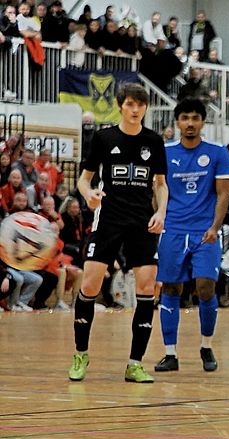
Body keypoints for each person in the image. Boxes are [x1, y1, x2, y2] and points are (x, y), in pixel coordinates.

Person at [67, 84, 168, 384]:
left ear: (146, 108)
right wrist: (89, 195)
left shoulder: (154, 141)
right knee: (90, 284)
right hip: (108, 219)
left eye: (140, 105)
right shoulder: (104, 138)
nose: (135, 110)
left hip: (141, 222)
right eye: (130, 104)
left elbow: (160, 184)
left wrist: (161, 212)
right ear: (120, 105)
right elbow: (83, 180)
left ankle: (135, 364)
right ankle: (80, 354)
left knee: (147, 288)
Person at [154, 99, 229, 374]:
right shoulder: (164, 152)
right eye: (185, 118)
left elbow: (224, 193)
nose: (190, 123)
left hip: (204, 232)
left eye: (195, 118)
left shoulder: (217, 152)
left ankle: (206, 345)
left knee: (205, 286)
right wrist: (159, 217)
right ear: (177, 122)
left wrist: (214, 227)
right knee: (170, 288)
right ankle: (170, 353)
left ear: (202, 122)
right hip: (172, 229)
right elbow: (158, 189)